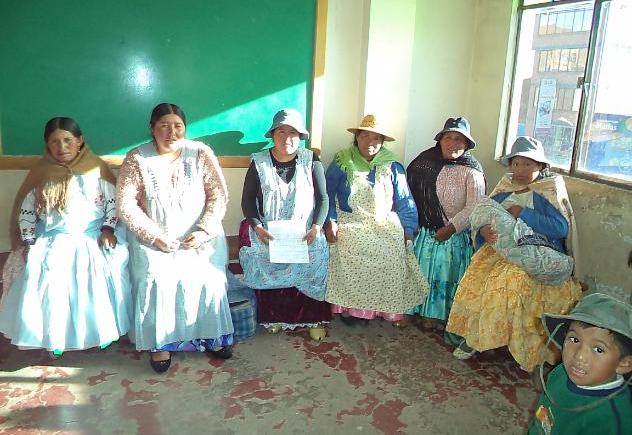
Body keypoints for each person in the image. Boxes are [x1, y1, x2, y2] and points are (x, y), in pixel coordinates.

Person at [446, 136, 582, 371]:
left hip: (537, 252)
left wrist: (525, 213)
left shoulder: (547, 191)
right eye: (516, 164)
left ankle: (519, 343)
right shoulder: (505, 188)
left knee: (512, 280)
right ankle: (474, 336)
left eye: (528, 164)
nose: (520, 170)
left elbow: (560, 228)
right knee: (476, 278)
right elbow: (482, 216)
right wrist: (483, 232)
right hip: (500, 251)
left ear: (540, 166)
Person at [116, 103, 234, 373]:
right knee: (156, 279)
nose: (171, 133)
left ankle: (212, 336)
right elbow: (126, 205)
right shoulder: (137, 158)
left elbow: (218, 195)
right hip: (153, 239)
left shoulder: (201, 153)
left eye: (177, 126)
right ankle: (161, 343)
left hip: (198, 237)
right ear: (152, 128)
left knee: (210, 278)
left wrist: (203, 231)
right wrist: (155, 237)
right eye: (164, 126)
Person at [0, 117, 131, 357]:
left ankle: (101, 333)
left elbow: (113, 205)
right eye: (55, 142)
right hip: (54, 239)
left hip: (91, 237)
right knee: (52, 286)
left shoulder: (97, 169)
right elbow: (26, 212)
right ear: (47, 145)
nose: (62, 147)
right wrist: (29, 241)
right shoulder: (41, 173)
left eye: (68, 140)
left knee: (95, 285)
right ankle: (56, 338)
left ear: (80, 141)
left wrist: (108, 229)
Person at [324, 114, 427, 325]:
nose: (370, 142)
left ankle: (382, 308)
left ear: (382, 142)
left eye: (376, 138)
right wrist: (330, 221)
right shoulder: (342, 161)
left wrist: (408, 230)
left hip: (383, 221)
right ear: (357, 138)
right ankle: (351, 308)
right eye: (365, 136)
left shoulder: (392, 165)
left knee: (392, 253)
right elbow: (327, 193)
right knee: (351, 249)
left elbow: (404, 199)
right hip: (351, 220)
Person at [239, 109, 330, 341]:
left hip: (306, 230)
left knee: (316, 254)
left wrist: (316, 227)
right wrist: (258, 227)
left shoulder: (311, 160)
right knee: (263, 255)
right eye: (281, 131)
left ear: (300, 136)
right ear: (272, 134)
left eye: (293, 132)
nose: (287, 138)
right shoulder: (259, 162)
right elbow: (247, 201)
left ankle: (313, 318)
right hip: (269, 230)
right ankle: (275, 317)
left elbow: (323, 198)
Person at [405, 117, 485, 338]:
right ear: (439, 140)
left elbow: (475, 207)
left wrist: (451, 228)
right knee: (415, 263)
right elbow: (409, 195)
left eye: (459, 139)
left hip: (453, 234)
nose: (452, 143)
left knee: (443, 265)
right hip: (425, 230)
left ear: (466, 144)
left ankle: (435, 314)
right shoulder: (423, 164)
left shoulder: (472, 172)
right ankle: (412, 308)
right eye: (448, 137)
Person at [528, 293, 632, 434]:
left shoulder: (611, 422)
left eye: (598, 349)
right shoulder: (561, 372)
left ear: (624, 364)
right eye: (574, 340)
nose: (579, 356)